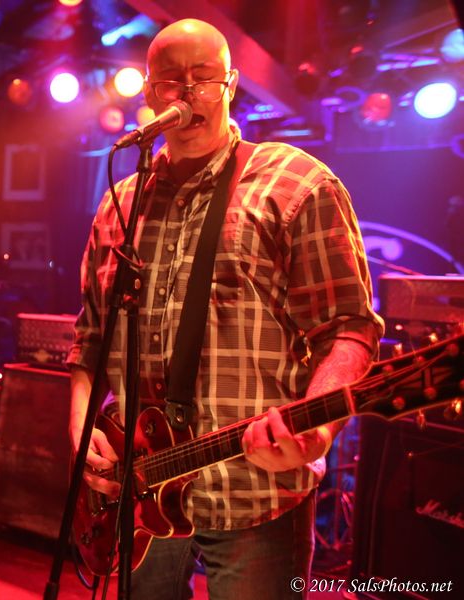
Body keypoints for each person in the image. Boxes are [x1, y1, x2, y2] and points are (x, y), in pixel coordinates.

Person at [67, 19, 383, 600]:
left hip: (256, 491)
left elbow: (350, 330)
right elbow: (90, 337)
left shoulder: (296, 184)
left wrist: (317, 430)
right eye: (171, 80)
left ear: (231, 85)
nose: (188, 93)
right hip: (140, 491)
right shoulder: (120, 204)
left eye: (204, 77)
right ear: (149, 91)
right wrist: (80, 424)